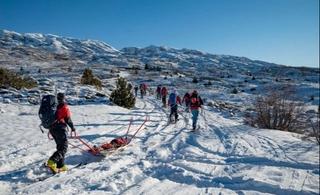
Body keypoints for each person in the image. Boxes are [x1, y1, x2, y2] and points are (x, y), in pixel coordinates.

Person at [47, 93, 76, 173]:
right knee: (63, 148)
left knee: (60, 147)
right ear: (63, 98)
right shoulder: (64, 106)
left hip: (52, 129)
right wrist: (72, 128)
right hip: (60, 128)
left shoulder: (53, 106)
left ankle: (61, 165)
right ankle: (52, 161)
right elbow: (67, 119)